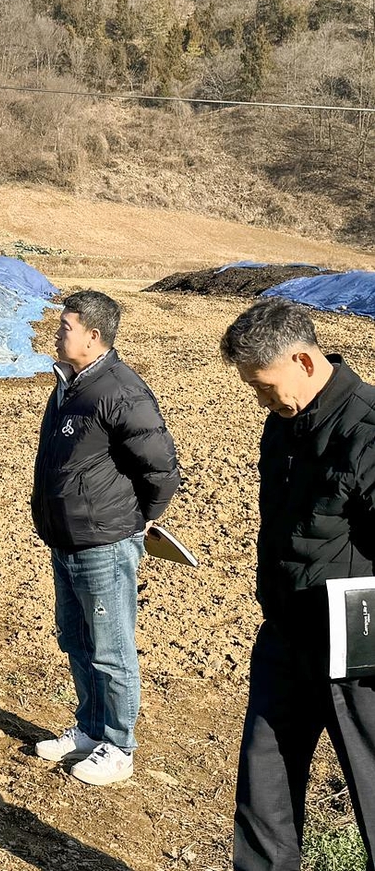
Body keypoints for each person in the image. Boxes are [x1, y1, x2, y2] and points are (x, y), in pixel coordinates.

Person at [221, 297, 375, 871]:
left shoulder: (367, 428)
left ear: (304, 362)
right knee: (265, 785)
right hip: (286, 634)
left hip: (355, 648)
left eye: (264, 385)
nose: (260, 399)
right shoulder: (283, 422)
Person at [30, 290, 181, 785]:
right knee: (76, 639)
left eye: (65, 326)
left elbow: (160, 465)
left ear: (93, 337)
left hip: (104, 542)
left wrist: (142, 518)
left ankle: (119, 746)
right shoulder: (70, 385)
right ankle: (91, 731)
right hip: (66, 539)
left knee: (110, 647)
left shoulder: (120, 389)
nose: (57, 331)